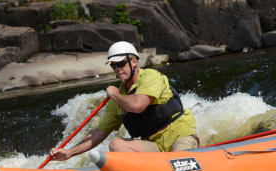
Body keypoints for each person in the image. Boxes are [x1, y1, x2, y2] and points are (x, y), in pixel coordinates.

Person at [50, 41, 199, 161]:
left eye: (121, 64)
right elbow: (99, 133)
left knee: (179, 164)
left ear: (133, 61)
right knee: (116, 144)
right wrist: (69, 152)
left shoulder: (150, 77)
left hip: (179, 135)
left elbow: (138, 105)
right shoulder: (119, 98)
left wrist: (114, 95)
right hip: (153, 145)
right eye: (114, 66)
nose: (118, 69)